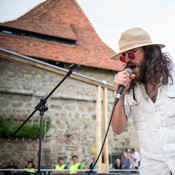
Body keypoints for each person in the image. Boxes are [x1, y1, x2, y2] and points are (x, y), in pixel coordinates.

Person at [111, 27, 175, 174]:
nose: (127, 60)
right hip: (152, 170)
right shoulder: (128, 89)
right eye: (123, 56)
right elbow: (117, 129)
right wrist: (119, 95)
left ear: (149, 52)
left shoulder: (173, 74)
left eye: (131, 54)